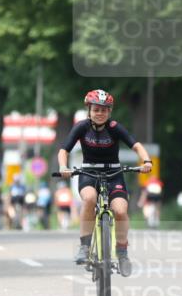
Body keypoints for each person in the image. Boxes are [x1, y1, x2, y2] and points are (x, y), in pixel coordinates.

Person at [58, 89, 152, 276]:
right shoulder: (81, 127)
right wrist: (63, 167)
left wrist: (147, 161)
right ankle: (85, 247)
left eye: (104, 110)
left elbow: (136, 145)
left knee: (120, 210)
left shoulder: (115, 127)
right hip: (88, 171)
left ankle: (123, 253)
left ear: (109, 112)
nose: (100, 113)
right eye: (96, 110)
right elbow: (64, 150)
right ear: (89, 111)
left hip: (114, 172)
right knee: (90, 199)